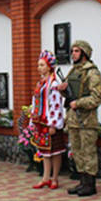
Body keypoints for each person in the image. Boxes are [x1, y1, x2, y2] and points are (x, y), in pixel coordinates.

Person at [59, 39, 101, 197]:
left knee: (88, 152)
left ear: (84, 53)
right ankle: (82, 181)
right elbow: (70, 93)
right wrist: (63, 90)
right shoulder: (73, 71)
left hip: (86, 120)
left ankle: (90, 184)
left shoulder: (92, 72)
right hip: (74, 120)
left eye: (77, 51)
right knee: (77, 151)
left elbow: (97, 98)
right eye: (72, 51)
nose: (73, 54)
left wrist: (78, 103)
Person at [29, 50, 66, 189]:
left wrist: (54, 124)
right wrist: (33, 119)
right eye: (38, 65)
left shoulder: (54, 82)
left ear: (49, 66)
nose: (39, 68)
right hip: (41, 121)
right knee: (44, 151)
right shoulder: (40, 83)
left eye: (42, 65)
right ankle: (45, 177)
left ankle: (55, 178)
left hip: (50, 122)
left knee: (55, 151)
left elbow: (56, 104)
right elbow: (35, 101)